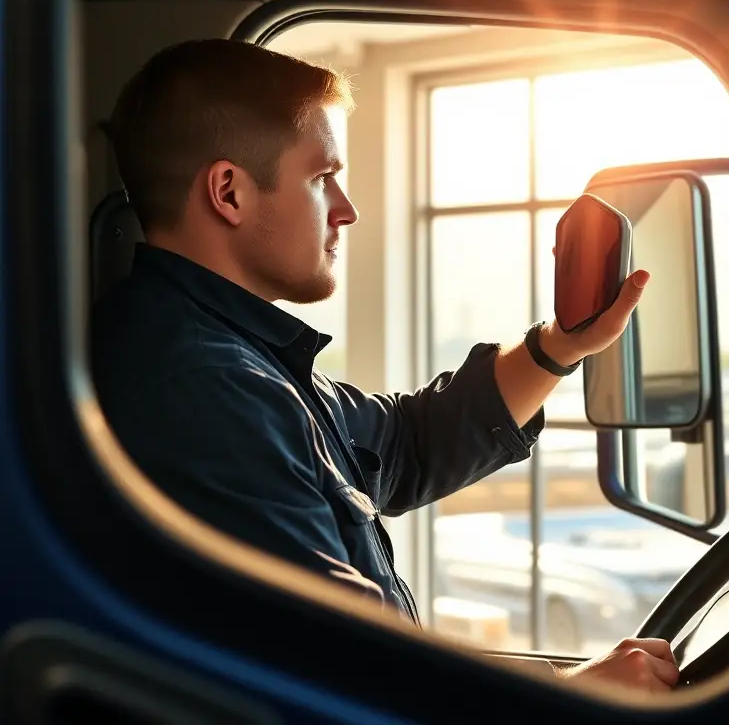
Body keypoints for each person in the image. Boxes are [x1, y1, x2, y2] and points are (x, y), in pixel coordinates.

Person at [90, 39, 678, 694]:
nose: (346, 209)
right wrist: (580, 697)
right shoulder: (204, 390)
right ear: (229, 192)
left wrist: (560, 345)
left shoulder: (237, 359)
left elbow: (406, 441)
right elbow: (351, 676)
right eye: (321, 178)